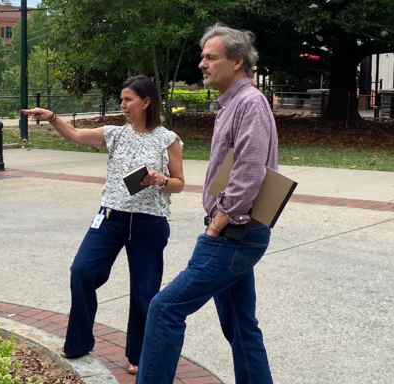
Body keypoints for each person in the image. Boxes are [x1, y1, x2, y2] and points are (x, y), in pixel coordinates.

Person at [135, 23, 279, 384]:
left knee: (165, 308)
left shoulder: (249, 103)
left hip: (234, 233)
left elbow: (249, 172)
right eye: (203, 57)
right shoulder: (233, 103)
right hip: (236, 231)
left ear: (237, 62)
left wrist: (218, 224)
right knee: (241, 327)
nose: (202, 63)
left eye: (210, 57)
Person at [22, 75, 185, 374]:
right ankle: (79, 341)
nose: (122, 105)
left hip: (149, 223)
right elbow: (75, 135)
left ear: (146, 102)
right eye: (121, 99)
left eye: (128, 99)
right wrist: (53, 117)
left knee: (144, 292)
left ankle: (139, 354)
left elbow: (179, 183)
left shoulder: (168, 139)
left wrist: (160, 180)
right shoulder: (115, 134)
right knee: (82, 271)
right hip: (110, 217)